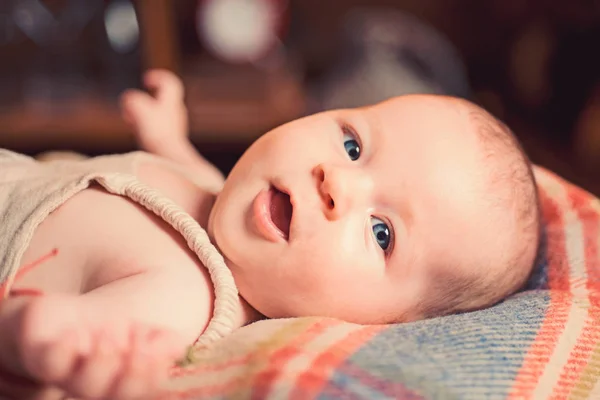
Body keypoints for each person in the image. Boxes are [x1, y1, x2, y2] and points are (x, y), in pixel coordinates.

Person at [0, 70, 541, 400]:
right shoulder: (218, 202)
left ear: (381, 325)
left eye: (382, 234)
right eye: (352, 145)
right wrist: (168, 138)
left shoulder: (182, 298)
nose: (337, 183)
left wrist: (38, 338)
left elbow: (60, 353)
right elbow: (201, 180)